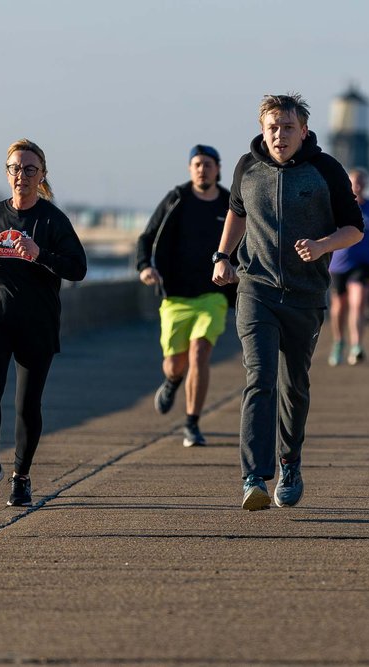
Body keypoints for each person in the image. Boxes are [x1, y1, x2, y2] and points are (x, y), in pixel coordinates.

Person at [212, 93, 363, 511]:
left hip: (305, 295)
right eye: (272, 127)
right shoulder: (247, 166)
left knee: (293, 386)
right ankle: (253, 478)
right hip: (255, 288)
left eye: (288, 128)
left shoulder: (326, 170)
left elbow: (354, 229)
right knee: (260, 377)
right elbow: (237, 213)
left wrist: (321, 246)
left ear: (304, 131)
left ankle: (290, 464)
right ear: (263, 129)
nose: (280, 135)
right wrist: (223, 256)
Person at [0, 139, 87, 506]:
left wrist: (41, 254)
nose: (22, 175)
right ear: (7, 173)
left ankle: (22, 476)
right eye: (16, 168)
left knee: (26, 404)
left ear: (42, 175)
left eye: (30, 169)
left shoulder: (52, 220)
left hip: (36, 321)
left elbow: (78, 267)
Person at [136, 145, 233, 447]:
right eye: (196, 164)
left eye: (207, 164)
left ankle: (192, 423)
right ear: (190, 169)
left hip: (213, 294)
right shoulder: (177, 198)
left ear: (218, 168)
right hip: (176, 294)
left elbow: (248, 238)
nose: (202, 169)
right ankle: (172, 381)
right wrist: (144, 267)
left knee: (200, 353)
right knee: (175, 363)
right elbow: (147, 236)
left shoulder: (231, 203)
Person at [327, 168, 369, 366]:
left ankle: (357, 346)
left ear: (366, 184)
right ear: (348, 183)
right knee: (338, 307)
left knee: (358, 302)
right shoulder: (337, 205)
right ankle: (338, 342)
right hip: (339, 263)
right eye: (354, 181)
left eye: (361, 181)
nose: (358, 185)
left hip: (364, 262)